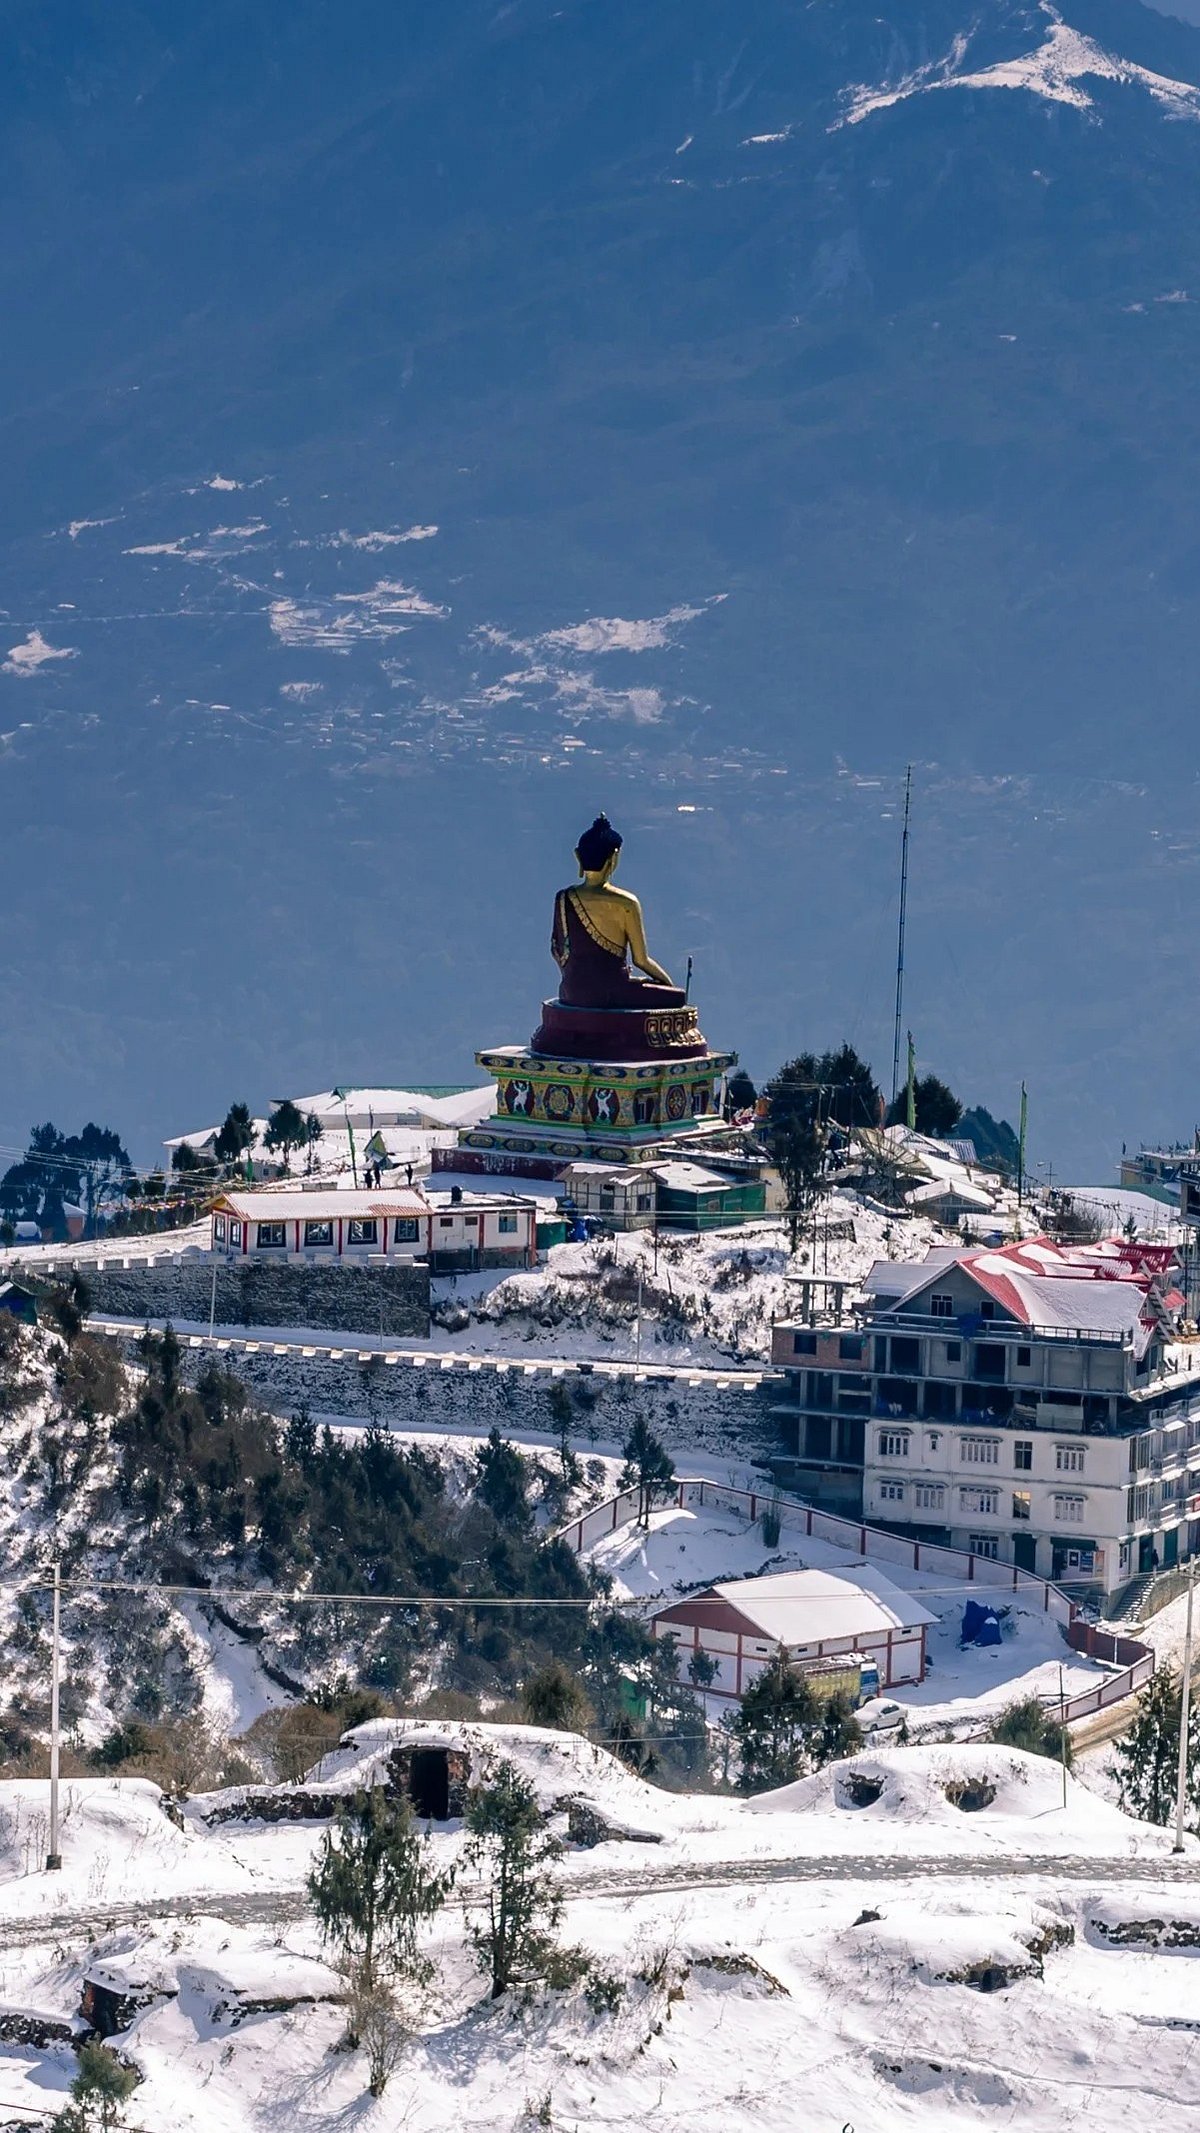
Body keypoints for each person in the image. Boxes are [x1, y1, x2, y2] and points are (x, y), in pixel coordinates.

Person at [551, 814, 686, 1009]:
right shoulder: (626, 903)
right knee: (676, 998)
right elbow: (641, 960)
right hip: (613, 992)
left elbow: (557, 951)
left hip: (571, 992)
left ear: (578, 856)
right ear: (614, 857)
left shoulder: (563, 898)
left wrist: (577, 980)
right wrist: (669, 984)